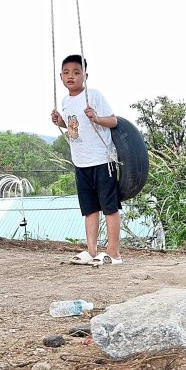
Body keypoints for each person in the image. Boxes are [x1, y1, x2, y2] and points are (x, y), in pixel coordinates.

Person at [50, 54, 122, 265]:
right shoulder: (65, 101)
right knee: (89, 208)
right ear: (61, 76)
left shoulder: (94, 96)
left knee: (109, 207)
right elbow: (75, 127)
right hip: (80, 162)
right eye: (66, 72)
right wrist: (60, 122)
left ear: (85, 75)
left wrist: (97, 118)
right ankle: (91, 251)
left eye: (76, 72)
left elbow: (114, 121)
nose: (70, 76)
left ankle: (113, 252)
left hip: (101, 159)